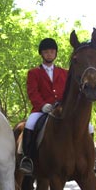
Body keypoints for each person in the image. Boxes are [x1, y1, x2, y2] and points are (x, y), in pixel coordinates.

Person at [19, 38, 68, 174]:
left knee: (88, 126)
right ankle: (27, 158)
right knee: (30, 124)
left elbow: (69, 92)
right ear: (41, 54)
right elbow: (32, 92)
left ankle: (92, 160)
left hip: (62, 109)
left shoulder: (65, 73)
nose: (49, 54)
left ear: (55, 53)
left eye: (52, 51)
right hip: (42, 110)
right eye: (46, 52)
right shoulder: (34, 73)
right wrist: (42, 105)